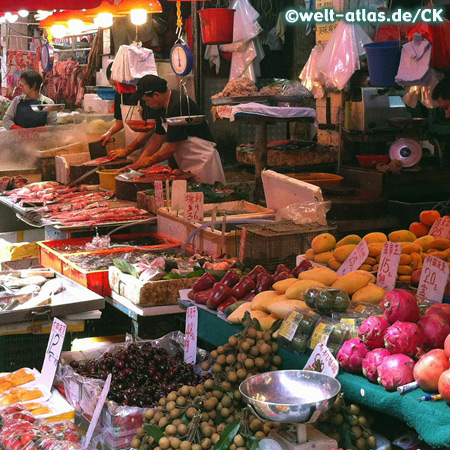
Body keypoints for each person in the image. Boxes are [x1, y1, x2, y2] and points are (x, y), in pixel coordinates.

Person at [124, 75, 226, 185]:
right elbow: (157, 138)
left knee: (209, 196)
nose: (147, 105)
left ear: (156, 95)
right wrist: (137, 165)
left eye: (147, 101)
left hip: (203, 161)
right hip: (187, 161)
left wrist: (150, 160)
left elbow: (171, 147)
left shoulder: (178, 105)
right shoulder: (161, 106)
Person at [101, 62, 155, 161]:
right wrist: (109, 133)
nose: (115, 88)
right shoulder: (119, 95)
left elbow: (150, 128)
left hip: (150, 151)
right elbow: (119, 122)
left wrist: (127, 150)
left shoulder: (144, 94)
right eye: (112, 84)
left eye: (115, 84)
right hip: (131, 152)